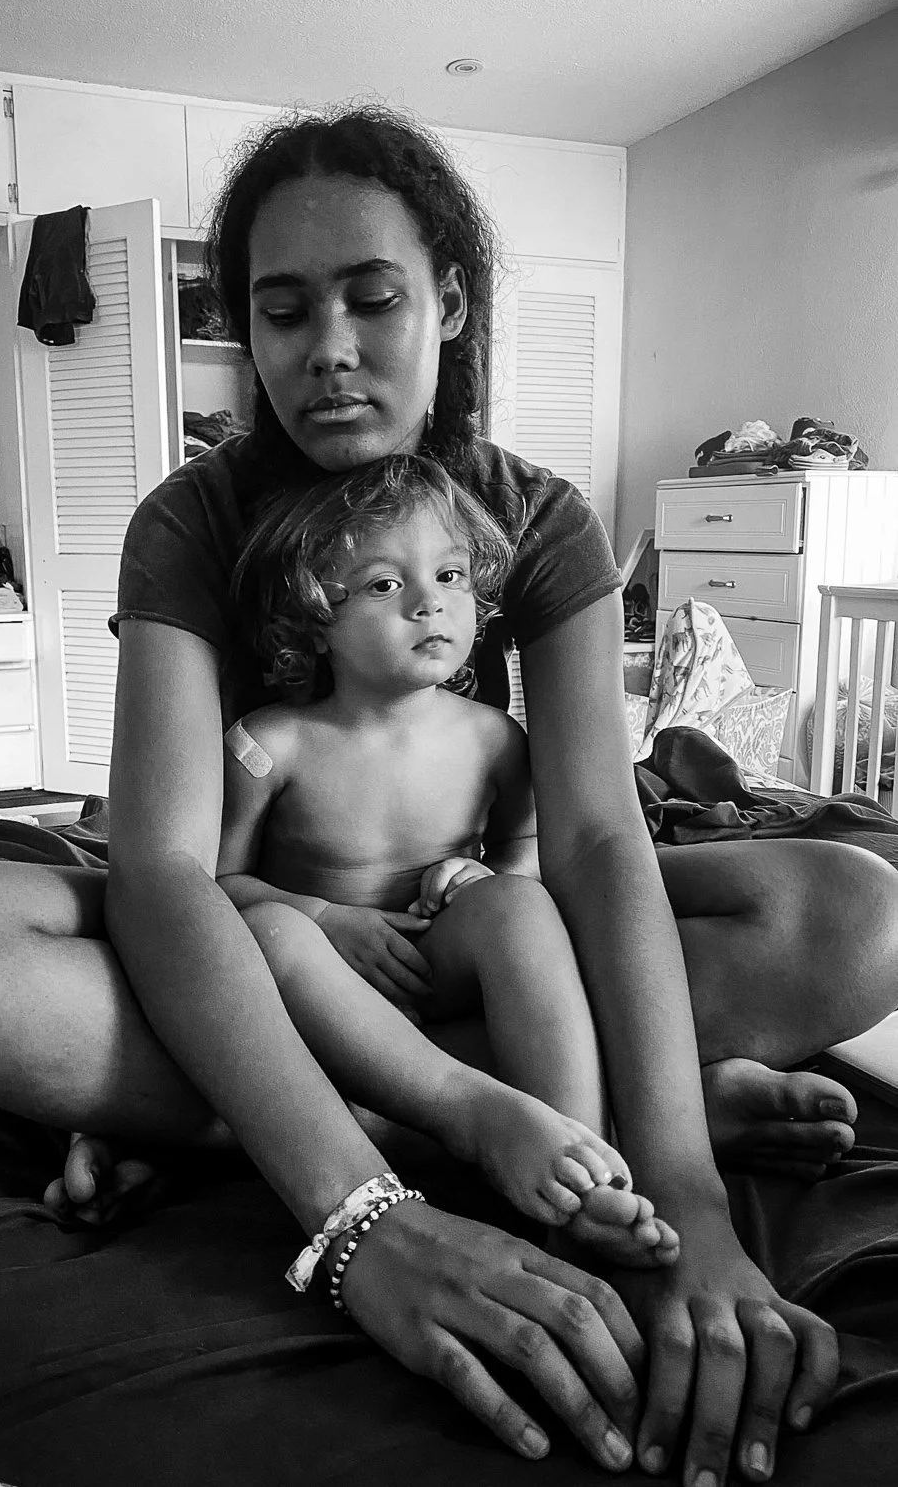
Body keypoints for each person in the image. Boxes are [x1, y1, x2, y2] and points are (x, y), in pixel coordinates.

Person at [0, 103, 898, 1487]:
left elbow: (586, 838)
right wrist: (356, 1216)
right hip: (270, 935)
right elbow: (163, 868)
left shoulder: (542, 520)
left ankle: (259, 1115)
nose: (325, 350)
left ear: (446, 301)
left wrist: (688, 1201)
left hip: (481, 930)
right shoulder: (194, 522)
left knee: (852, 908)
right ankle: (499, 1109)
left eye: (370, 299)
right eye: (281, 313)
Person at [218, 453, 682, 1267]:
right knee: (268, 934)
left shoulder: (496, 740)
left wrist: (481, 880)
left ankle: (577, 1164)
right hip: (323, 986)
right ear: (314, 614)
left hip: (438, 960)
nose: (429, 601)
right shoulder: (268, 745)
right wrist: (327, 920)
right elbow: (216, 884)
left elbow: (523, 857)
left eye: (451, 574)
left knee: (521, 909)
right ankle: (466, 1112)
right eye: (382, 586)